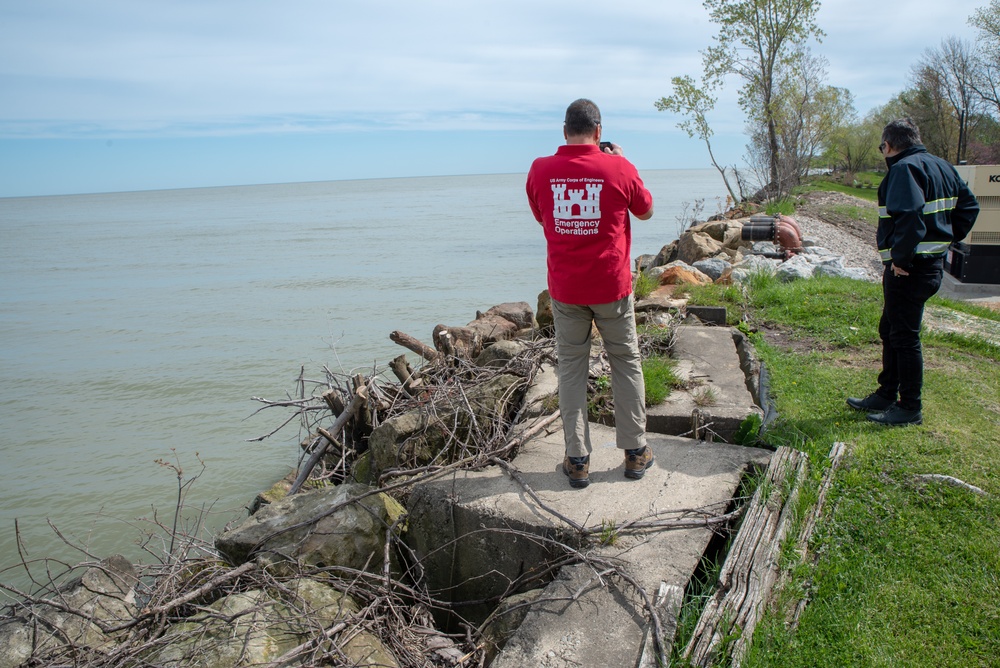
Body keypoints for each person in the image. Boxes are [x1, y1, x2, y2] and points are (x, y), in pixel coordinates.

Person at [525, 98, 655, 488]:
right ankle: (634, 453)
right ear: (599, 132)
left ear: (564, 131)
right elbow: (645, 210)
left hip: (567, 292)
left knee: (571, 369)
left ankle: (577, 459)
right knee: (625, 361)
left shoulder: (540, 170)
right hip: (612, 288)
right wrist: (623, 162)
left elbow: (543, 216)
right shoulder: (618, 166)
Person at [847, 118, 978, 426]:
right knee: (890, 329)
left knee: (904, 337)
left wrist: (901, 259)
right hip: (931, 266)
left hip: (908, 269)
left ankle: (909, 407)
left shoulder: (904, 169)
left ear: (888, 145)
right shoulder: (942, 166)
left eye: (882, 147)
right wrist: (944, 239)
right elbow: (970, 208)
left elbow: (910, 216)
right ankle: (886, 393)